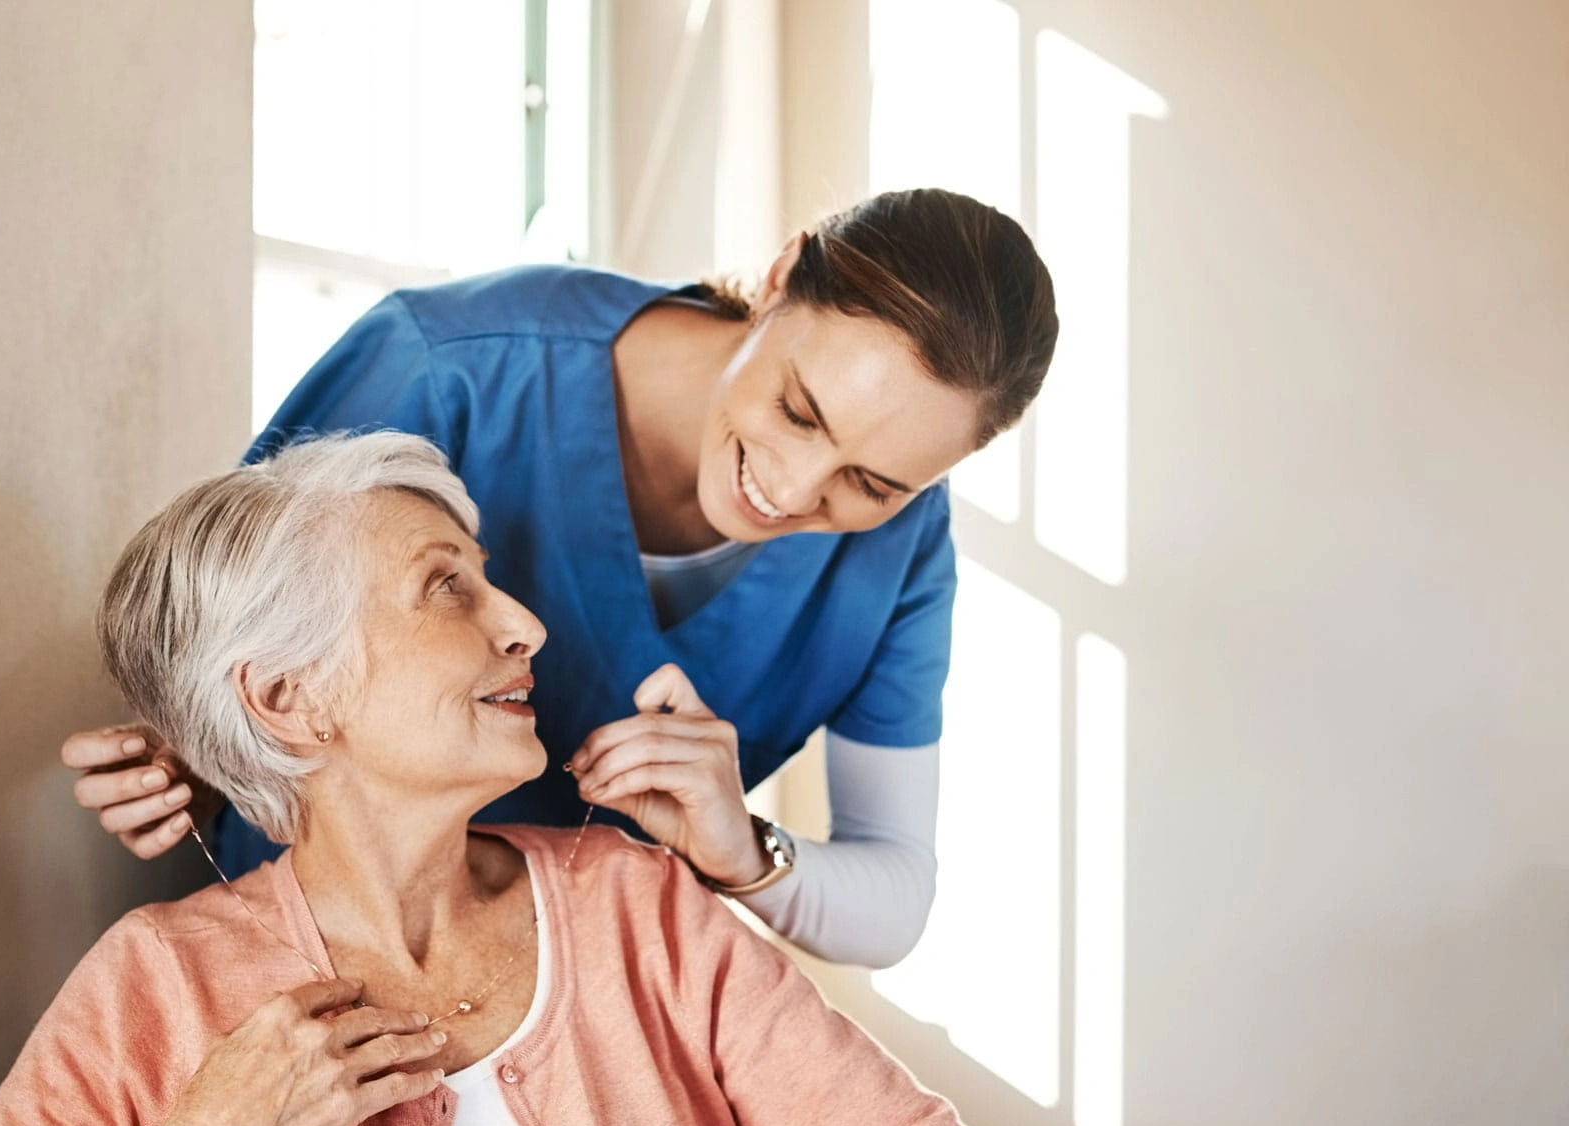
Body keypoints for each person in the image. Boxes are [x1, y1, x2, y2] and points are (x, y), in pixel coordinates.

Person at [0, 433, 1044, 1126]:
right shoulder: (154, 991)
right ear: (289, 697)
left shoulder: (639, 910)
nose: (524, 626)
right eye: (445, 588)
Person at [62, 189, 1058, 969]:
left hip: (594, 1016)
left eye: (869, 483)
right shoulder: (445, 370)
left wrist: (739, 849)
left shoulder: (900, 550)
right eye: (800, 411)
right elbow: (230, 641)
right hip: (323, 969)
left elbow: (892, 892)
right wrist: (215, 754)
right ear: (783, 272)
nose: (794, 491)